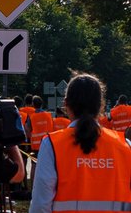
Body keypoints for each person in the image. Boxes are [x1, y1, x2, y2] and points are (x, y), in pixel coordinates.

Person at [30, 73, 131, 212]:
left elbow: (40, 205)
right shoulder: (125, 146)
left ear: (66, 104)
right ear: (100, 105)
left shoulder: (52, 144)